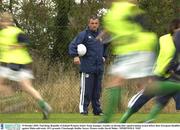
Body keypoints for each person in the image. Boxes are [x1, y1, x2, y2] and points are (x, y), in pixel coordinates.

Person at [98, 0, 158, 123]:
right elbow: (109, 30)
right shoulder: (113, 13)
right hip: (139, 48)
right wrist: (101, 37)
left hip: (135, 48)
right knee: (148, 86)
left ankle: (106, 120)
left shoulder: (122, 9)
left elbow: (138, 17)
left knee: (115, 81)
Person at [119, 18, 180, 123]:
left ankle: (148, 120)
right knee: (144, 97)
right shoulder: (162, 39)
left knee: (164, 99)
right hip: (158, 75)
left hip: (173, 77)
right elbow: (153, 56)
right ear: (175, 28)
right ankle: (123, 120)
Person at [0, 12, 52, 119]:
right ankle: (44, 106)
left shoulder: (10, 32)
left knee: (1, 84)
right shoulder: (14, 32)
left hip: (10, 63)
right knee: (27, 87)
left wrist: (14, 46)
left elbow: (25, 42)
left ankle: (14, 102)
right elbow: (27, 41)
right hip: (24, 64)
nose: (2, 23)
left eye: (3, 20)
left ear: (8, 21)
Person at [69, 16, 107, 115]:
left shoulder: (101, 35)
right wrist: (75, 56)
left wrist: (104, 56)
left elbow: (105, 46)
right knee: (86, 91)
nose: (94, 25)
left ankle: (97, 110)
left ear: (98, 24)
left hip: (99, 68)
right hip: (87, 68)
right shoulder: (83, 35)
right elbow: (73, 45)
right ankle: (83, 109)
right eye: (92, 23)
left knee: (97, 92)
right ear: (88, 24)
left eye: (96, 23)